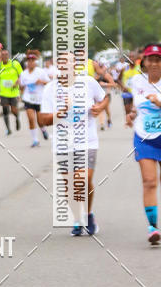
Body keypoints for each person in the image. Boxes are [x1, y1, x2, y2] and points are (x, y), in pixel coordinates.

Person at [39, 53, 109, 236]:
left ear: (75, 64)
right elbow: (44, 120)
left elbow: (104, 97)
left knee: (83, 179)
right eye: (61, 61)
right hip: (63, 143)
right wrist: (62, 111)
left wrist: (100, 107)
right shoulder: (49, 89)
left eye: (68, 61)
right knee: (70, 184)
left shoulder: (88, 82)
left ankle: (88, 214)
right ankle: (78, 218)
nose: (64, 65)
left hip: (87, 140)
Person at [126, 43, 161, 245]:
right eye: (151, 59)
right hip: (143, 137)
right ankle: (153, 227)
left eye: (158, 60)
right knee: (149, 181)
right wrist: (132, 114)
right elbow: (136, 106)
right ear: (144, 62)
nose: (154, 63)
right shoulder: (136, 80)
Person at [19, 51, 50, 147]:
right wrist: (20, 94)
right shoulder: (23, 74)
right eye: (29, 60)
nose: (30, 62)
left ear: (35, 62)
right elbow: (22, 86)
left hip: (39, 99)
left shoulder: (41, 72)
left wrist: (41, 82)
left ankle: (43, 129)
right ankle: (35, 140)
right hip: (28, 99)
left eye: (32, 60)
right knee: (31, 119)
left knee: (40, 121)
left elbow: (49, 83)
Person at [0, 48, 23, 136]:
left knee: (13, 109)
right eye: (3, 55)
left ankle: (17, 118)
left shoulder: (15, 64)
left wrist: (17, 82)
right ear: (0, 56)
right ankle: (8, 129)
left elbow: (21, 75)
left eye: (6, 55)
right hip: (3, 93)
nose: (4, 56)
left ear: (9, 56)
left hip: (14, 92)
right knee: (5, 110)